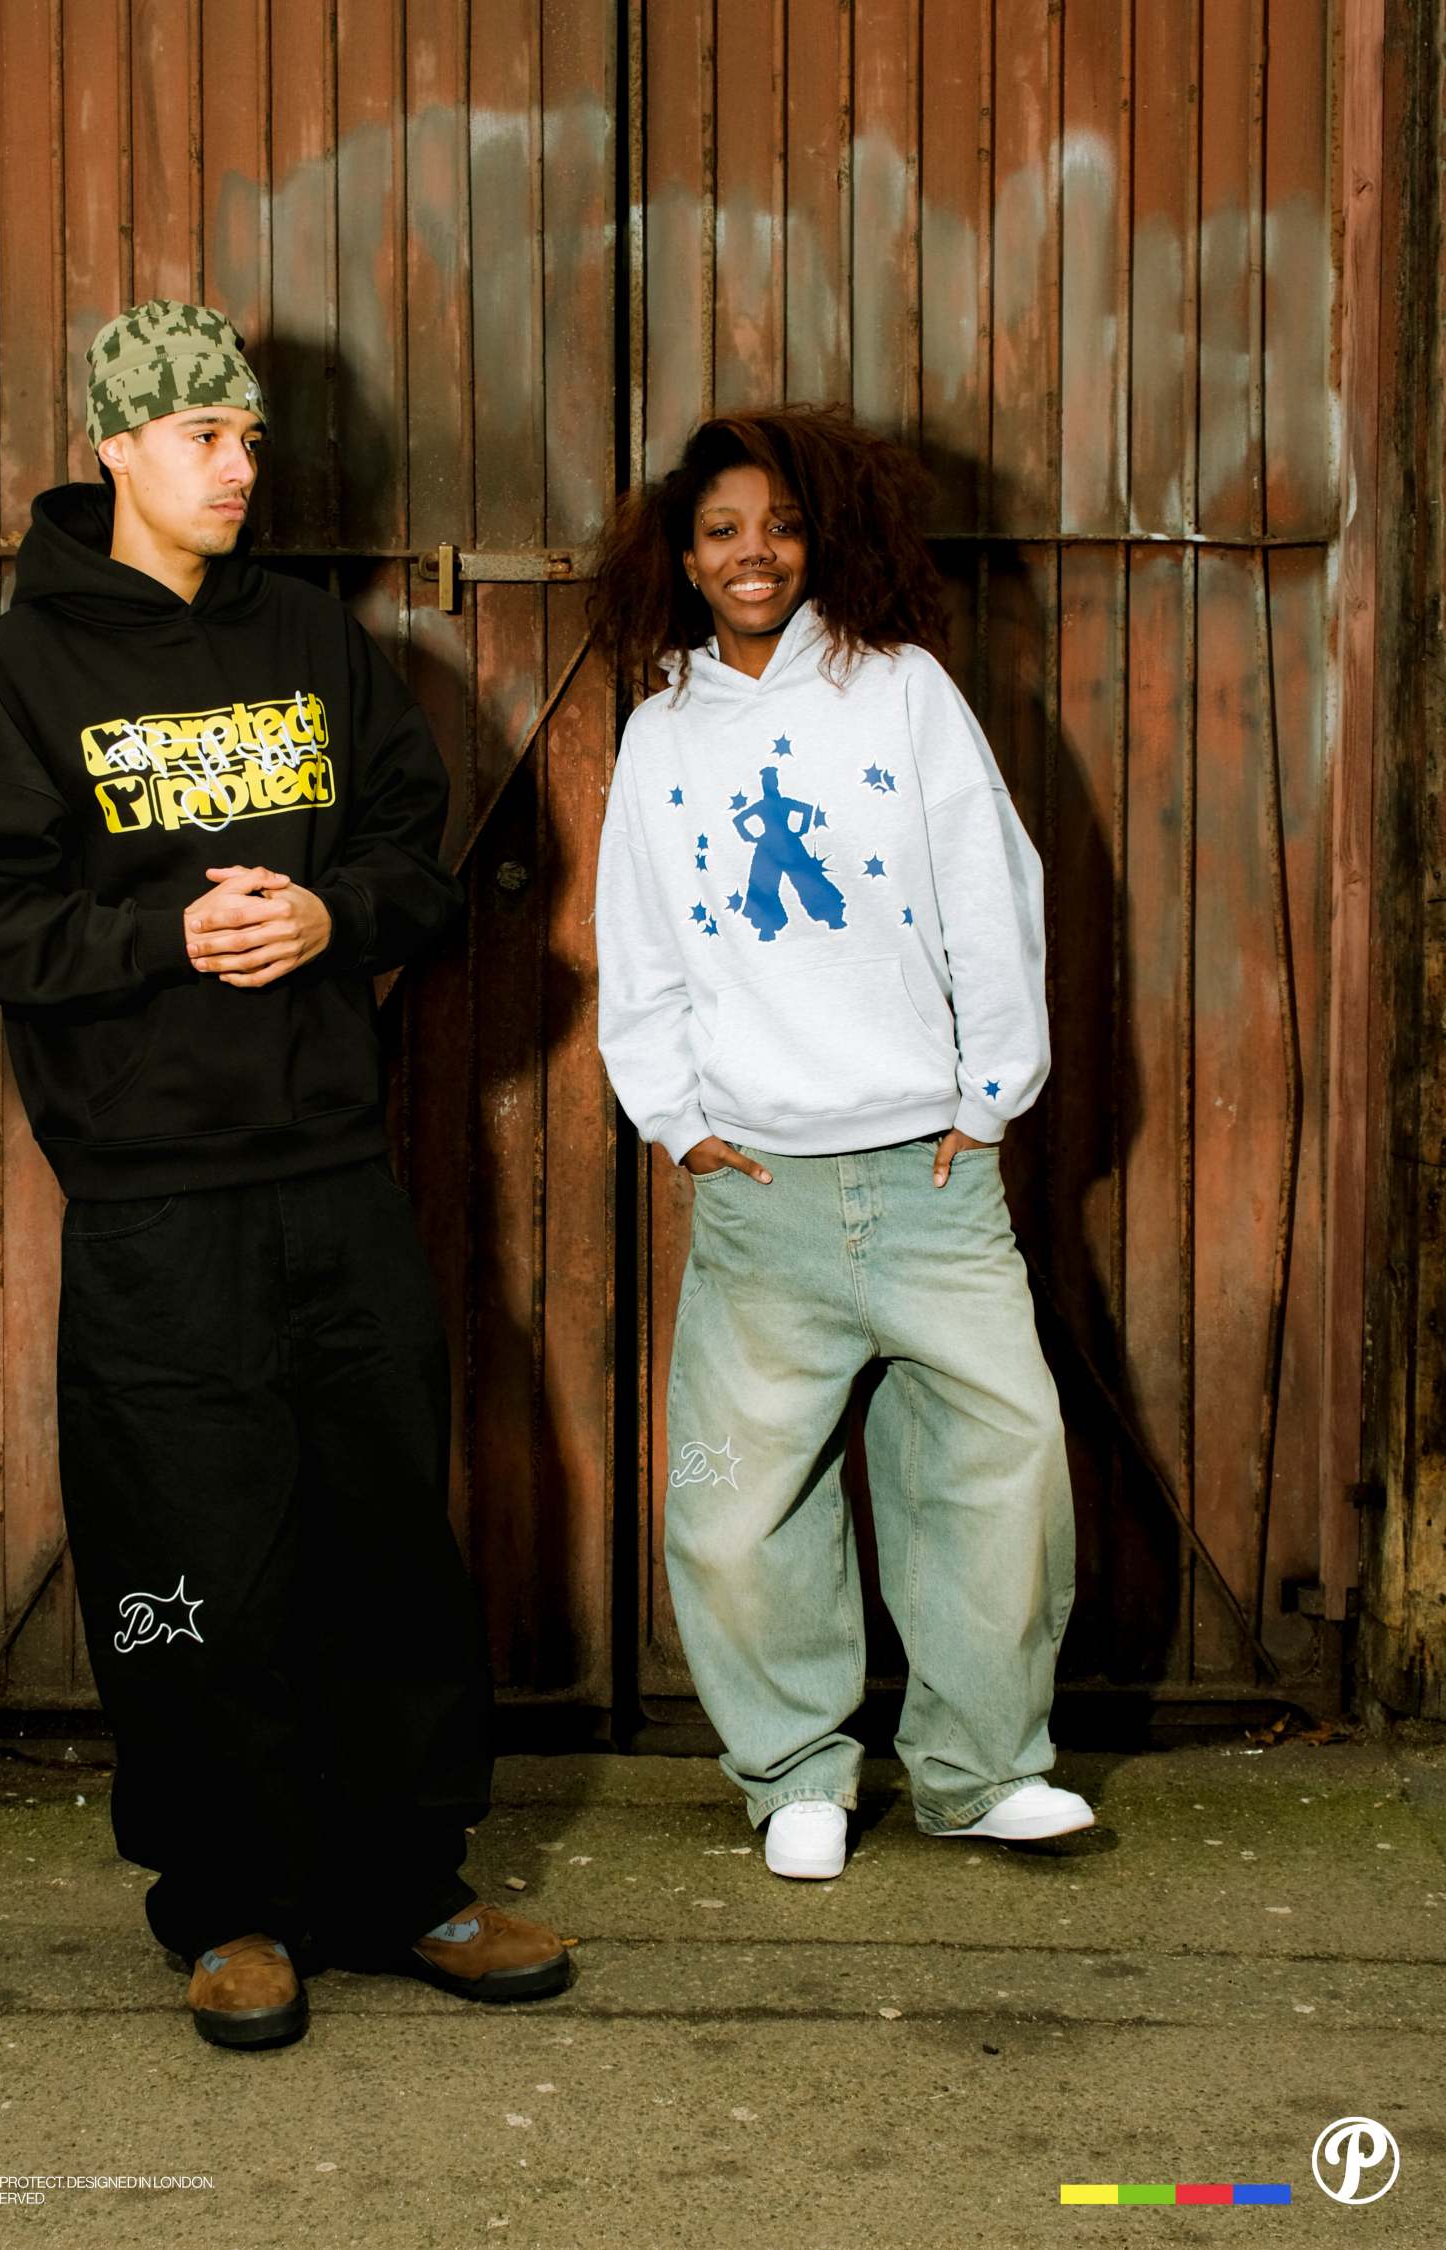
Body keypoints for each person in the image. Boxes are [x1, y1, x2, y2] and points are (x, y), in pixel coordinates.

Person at [0, 299, 569, 2048]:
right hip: (152, 1198)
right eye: (205, 435)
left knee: (384, 1537)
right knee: (192, 1559)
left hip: (333, 1169)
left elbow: (418, 861)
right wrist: (170, 934)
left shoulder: (310, 640)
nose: (239, 466)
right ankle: (230, 1908)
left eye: (253, 438)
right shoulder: (26, 668)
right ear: (116, 444)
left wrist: (334, 914)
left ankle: (406, 1883)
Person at [590, 404, 1090, 1882]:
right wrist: (678, 1124)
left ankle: (980, 1769)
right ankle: (797, 1771)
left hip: (931, 1178)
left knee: (1000, 1463)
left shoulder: (902, 690)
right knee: (740, 1500)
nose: (756, 554)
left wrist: (989, 1096)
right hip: (762, 1189)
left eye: (783, 526)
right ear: (683, 558)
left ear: (823, 541)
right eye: (724, 531)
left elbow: (994, 887)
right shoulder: (660, 734)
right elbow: (640, 946)